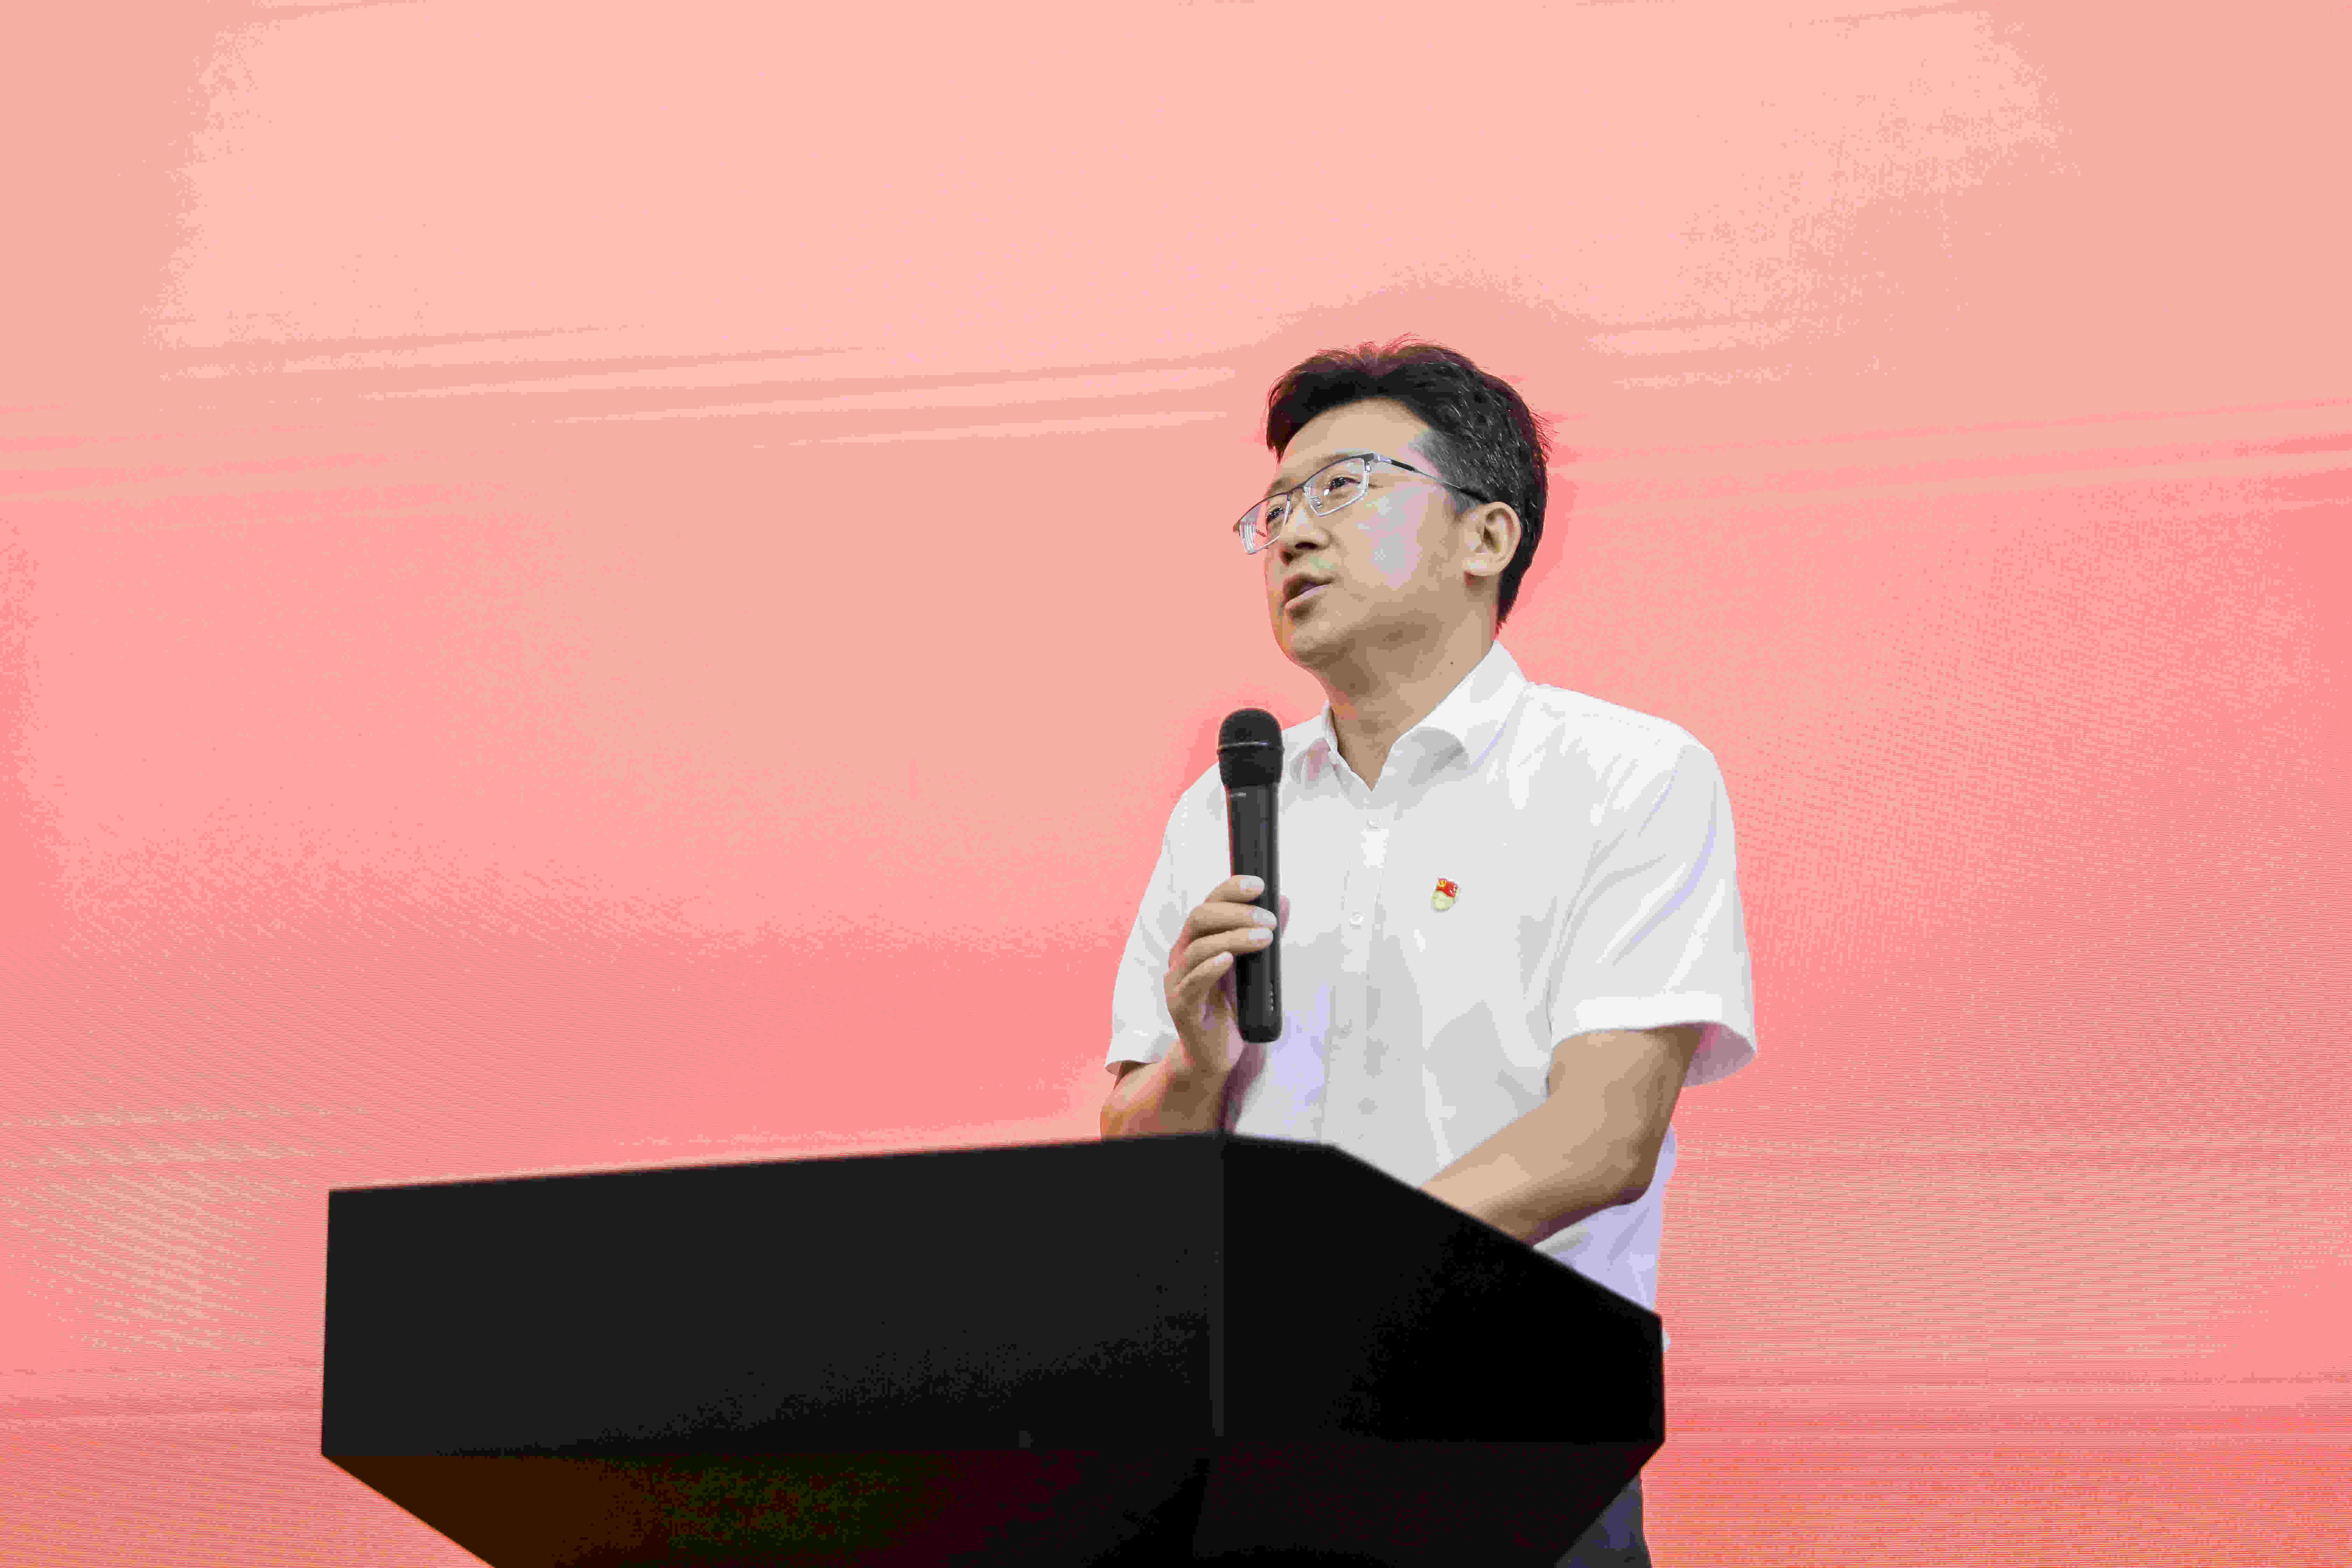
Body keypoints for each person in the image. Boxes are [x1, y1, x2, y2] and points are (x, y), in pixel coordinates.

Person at [1099, 339, 1758, 1567]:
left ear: (1486, 536)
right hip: (1250, 1447)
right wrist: (1193, 1068)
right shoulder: (1226, 806)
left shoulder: (1627, 778)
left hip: (1512, 1434)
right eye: (1275, 511)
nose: (1295, 534)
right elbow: (1136, 1165)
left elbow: (1602, 1138)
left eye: (1345, 488)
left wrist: (1320, 1294)